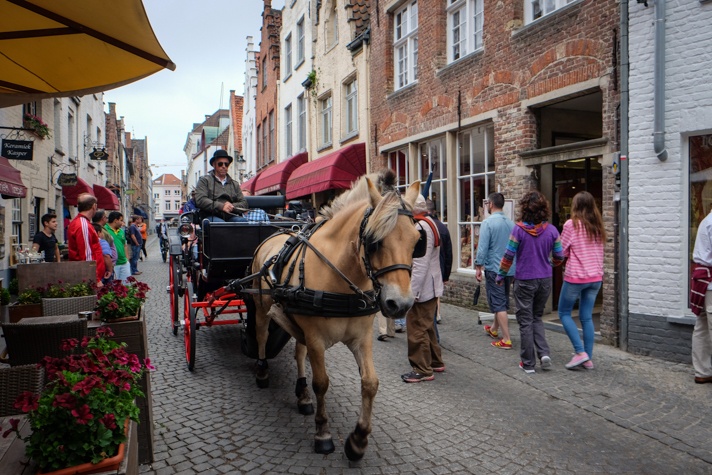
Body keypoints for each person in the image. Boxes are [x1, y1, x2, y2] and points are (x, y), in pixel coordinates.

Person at [497, 190, 564, 374]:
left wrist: (500, 276)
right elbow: (560, 255)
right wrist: (550, 264)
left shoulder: (518, 230)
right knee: (536, 317)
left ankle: (528, 363)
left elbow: (508, 256)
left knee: (525, 321)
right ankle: (543, 354)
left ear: (524, 208)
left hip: (525, 280)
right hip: (544, 279)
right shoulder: (552, 230)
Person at [558, 191, 606, 370]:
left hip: (576, 277)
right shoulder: (597, 225)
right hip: (595, 278)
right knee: (586, 317)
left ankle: (580, 352)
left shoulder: (572, 225)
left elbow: (561, 251)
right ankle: (588, 359)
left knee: (564, 313)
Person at [401, 194, 445, 383]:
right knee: (427, 327)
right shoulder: (429, 222)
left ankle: (421, 369)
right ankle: (435, 361)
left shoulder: (419, 227)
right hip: (431, 284)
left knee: (417, 327)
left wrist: (412, 292)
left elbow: (419, 264)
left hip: (424, 286)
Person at [475, 193, 516, 349]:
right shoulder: (511, 224)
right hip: (510, 268)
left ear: (491, 204)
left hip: (495, 268)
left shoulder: (488, 223)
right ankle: (494, 329)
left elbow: (483, 247)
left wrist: (478, 266)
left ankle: (506, 339)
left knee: (499, 304)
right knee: (503, 299)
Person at [690, 209, 712, 384]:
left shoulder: (707, 220)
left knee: (702, 326)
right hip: (710, 283)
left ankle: (702, 371)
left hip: (704, 282)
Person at [195, 149, 248, 222]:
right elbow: (201, 200)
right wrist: (221, 206)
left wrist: (231, 206)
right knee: (220, 225)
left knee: (243, 222)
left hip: (230, 215)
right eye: (220, 164)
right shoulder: (204, 181)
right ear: (214, 165)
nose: (223, 166)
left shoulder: (234, 184)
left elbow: (243, 203)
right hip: (211, 215)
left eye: (226, 164)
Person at [67, 193, 106, 288]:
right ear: (94, 206)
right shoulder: (83, 224)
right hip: (89, 278)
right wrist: (94, 279)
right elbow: (86, 255)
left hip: (88, 275)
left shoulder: (82, 223)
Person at [427, 199, 452, 325]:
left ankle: (433, 315)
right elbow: (449, 253)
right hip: (441, 265)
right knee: (436, 292)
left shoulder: (422, 226)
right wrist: (446, 274)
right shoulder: (442, 227)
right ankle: (437, 314)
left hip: (428, 267)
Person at [91, 209, 116, 285]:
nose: (107, 219)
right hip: (105, 269)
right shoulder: (101, 238)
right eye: (106, 217)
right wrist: (109, 269)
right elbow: (105, 254)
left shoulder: (102, 228)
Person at [106, 211, 131, 282]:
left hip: (124, 263)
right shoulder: (105, 230)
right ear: (115, 220)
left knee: (126, 285)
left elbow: (124, 245)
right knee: (115, 287)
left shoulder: (121, 231)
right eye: (121, 220)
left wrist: (127, 259)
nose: (122, 222)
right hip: (113, 264)